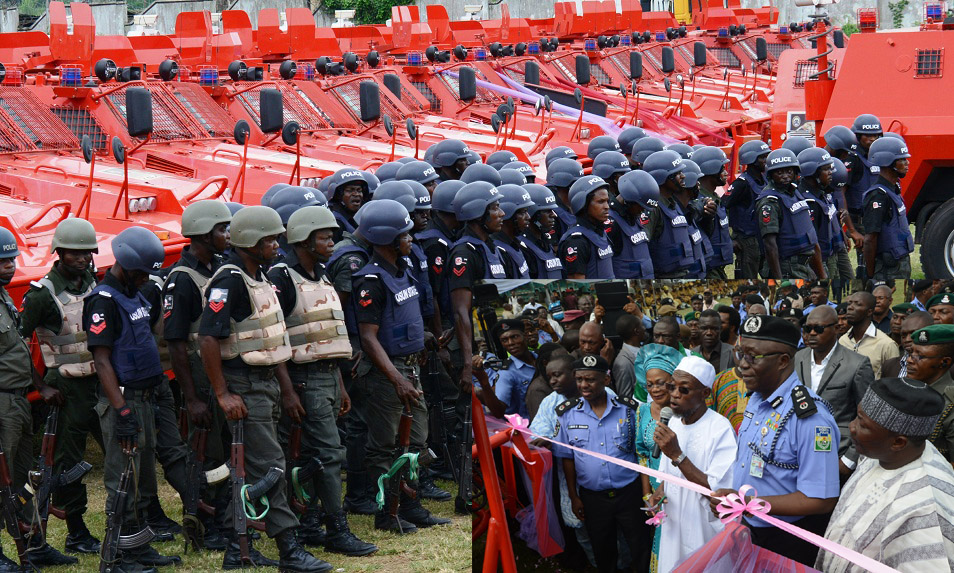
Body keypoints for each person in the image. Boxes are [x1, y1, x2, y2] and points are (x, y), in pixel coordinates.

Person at [197, 207, 330, 570]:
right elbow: (208, 338)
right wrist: (223, 393)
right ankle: (289, 548)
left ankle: (237, 545)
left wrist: (285, 390)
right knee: (269, 466)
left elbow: (276, 339)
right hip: (243, 385)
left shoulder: (259, 278)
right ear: (248, 242)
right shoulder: (230, 281)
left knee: (255, 467)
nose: (276, 245)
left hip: (266, 382)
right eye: (269, 239)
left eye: (275, 238)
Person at [267, 206, 378, 554]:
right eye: (324, 237)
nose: (332, 242)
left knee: (315, 455)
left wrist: (341, 386)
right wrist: (287, 391)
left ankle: (310, 521)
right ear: (303, 240)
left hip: (329, 378)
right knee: (329, 454)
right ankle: (336, 530)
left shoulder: (324, 274)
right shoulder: (282, 278)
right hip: (303, 380)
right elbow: (275, 339)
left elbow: (330, 339)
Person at [83, 227, 184, 571]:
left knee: (142, 479)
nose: (146, 278)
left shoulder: (135, 294)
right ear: (124, 265)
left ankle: (139, 547)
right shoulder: (103, 301)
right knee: (122, 479)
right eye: (142, 272)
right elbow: (101, 359)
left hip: (148, 395)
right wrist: (121, 410)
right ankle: (120, 555)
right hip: (125, 400)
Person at [710, 315, 841, 566]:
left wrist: (747, 503)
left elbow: (820, 499)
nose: (742, 366)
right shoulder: (758, 397)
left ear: (783, 361)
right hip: (751, 527)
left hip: (785, 540)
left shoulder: (810, 419)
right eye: (740, 353)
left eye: (753, 357)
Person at [17, 219, 104, 558]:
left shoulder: (92, 281)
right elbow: (18, 342)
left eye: (87, 253)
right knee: (69, 463)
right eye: (74, 253)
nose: (82, 258)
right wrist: (40, 386)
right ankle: (76, 530)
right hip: (65, 386)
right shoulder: (43, 294)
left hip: (99, 381)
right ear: (59, 252)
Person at [815, 377, 954, 572]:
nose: (852, 427)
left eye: (863, 425)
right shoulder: (882, 452)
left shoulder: (926, 507)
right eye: (857, 417)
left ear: (898, 442)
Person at [157, 200, 233, 550]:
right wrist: (191, 397)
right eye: (222, 229)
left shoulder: (219, 267)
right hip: (199, 378)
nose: (227, 235)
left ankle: (225, 516)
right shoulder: (182, 280)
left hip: (221, 371)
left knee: (227, 451)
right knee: (209, 454)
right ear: (203, 234)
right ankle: (206, 520)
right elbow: (175, 343)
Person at [554, 355, 647, 573]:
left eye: (590, 380)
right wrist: (574, 496)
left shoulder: (628, 409)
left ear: (606, 380)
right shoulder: (567, 414)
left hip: (629, 493)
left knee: (640, 546)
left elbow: (640, 452)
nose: (583, 385)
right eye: (579, 379)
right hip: (593, 498)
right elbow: (567, 458)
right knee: (603, 550)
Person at [651, 356, 736, 573]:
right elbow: (666, 475)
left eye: (684, 389)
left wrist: (677, 455)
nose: (674, 395)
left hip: (702, 527)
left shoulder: (720, 428)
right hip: (674, 523)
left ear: (705, 394)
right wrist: (658, 495)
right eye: (672, 387)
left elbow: (718, 491)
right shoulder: (673, 423)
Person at [794, 306, 875, 479]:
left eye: (819, 329)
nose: (812, 334)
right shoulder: (797, 358)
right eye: (808, 329)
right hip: (798, 453)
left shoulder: (857, 364)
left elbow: (868, 414)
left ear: (837, 328)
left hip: (837, 452)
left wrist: (849, 460)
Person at [633, 346, 681, 572]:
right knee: (661, 543)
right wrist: (647, 494)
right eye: (649, 384)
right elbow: (642, 455)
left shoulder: (685, 412)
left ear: (673, 381)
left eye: (660, 383)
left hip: (679, 490)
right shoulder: (642, 411)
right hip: (654, 494)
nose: (654, 389)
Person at [756, 149, 826, 279]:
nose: (785, 176)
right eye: (779, 172)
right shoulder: (769, 201)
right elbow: (770, 245)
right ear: (771, 174)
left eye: (789, 171)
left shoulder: (794, 192)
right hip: (788, 265)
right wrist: (779, 278)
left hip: (805, 262)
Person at [862, 137, 914, 280]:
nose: (907, 163)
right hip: (887, 268)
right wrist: (871, 274)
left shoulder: (893, 189)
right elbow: (870, 239)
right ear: (887, 162)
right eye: (902, 160)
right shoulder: (878, 195)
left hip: (900, 261)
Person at [905, 324, 954, 463]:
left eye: (919, 356)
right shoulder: (907, 389)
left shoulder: (950, 403)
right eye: (910, 353)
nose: (909, 360)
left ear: (944, 362)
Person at [643, 150, 695, 278]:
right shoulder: (653, 208)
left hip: (681, 272)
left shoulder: (672, 203)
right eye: (677, 173)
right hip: (663, 275)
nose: (683, 176)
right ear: (662, 177)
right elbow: (644, 247)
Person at [725, 140, 771, 279]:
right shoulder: (741, 184)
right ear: (752, 160)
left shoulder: (765, 179)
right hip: (747, 240)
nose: (767, 160)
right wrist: (729, 239)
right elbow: (721, 207)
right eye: (763, 157)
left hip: (764, 238)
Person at [558, 176, 615, 279]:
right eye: (600, 202)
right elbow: (577, 280)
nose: (607, 206)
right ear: (583, 204)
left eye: (607, 201)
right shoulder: (577, 241)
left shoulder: (599, 232)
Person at [477, 319, 536, 419]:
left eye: (514, 337)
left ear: (525, 336)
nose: (510, 343)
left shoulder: (541, 358)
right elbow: (499, 411)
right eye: (504, 340)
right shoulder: (506, 373)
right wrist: (484, 383)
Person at [606, 170, 658, 278]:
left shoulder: (633, 216)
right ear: (628, 201)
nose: (642, 210)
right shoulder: (611, 223)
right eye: (640, 206)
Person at [691, 147, 733, 279]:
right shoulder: (700, 202)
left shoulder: (714, 196)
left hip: (717, 266)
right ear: (711, 169)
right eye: (722, 169)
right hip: (709, 267)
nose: (726, 173)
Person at [840, 291, 899, 378]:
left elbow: (893, 381)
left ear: (869, 312)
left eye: (858, 304)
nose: (850, 308)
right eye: (849, 304)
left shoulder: (887, 345)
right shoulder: (843, 341)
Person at [612, 314, 644, 400]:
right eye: (642, 326)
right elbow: (625, 397)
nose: (644, 329)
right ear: (637, 331)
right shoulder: (623, 363)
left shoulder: (643, 350)